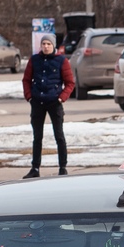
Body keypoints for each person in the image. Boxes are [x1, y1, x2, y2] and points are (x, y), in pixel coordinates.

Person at [21, 32, 75, 178]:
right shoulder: (34, 60)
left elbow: (70, 83)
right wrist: (29, 96)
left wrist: (61, 98)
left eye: (48, 44)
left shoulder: (62, 61)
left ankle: (62, 167)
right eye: (43, 44)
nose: (46, 46)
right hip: (37, 102)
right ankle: (35, 168)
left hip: (54, 102)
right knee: (37, 136)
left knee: (59, 135)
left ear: (53, 46)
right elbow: (26, 80)